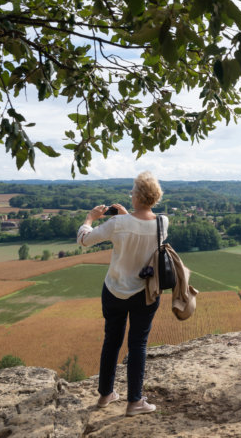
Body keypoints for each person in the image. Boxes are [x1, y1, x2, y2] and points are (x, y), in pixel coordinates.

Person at [76, 171, 165, 416]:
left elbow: (84, 240)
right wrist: (129, 216)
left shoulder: (118, 224)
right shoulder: (162, 223)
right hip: (145, 293)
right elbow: (142, 235)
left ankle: (105, 395)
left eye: (132, 192)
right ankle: (134, 401)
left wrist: (90, 218)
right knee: (138, 344)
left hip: (114, 290)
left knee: (112, 341)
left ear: (136, 196)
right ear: (154, 198)